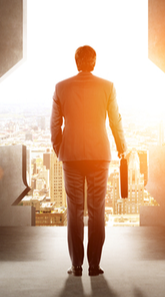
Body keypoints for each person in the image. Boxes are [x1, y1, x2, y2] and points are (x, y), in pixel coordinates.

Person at [50, 45, 129, 277]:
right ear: (94, 62)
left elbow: (55, 126)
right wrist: (122, 149)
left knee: (74, 210)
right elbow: (116, 122)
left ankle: (76, 266)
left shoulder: (61, 87)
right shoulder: (108, 87)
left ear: (76, 62)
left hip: (71, 157)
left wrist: (60, 150)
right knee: (97, 210)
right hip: (99, 156)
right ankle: (94, 266)